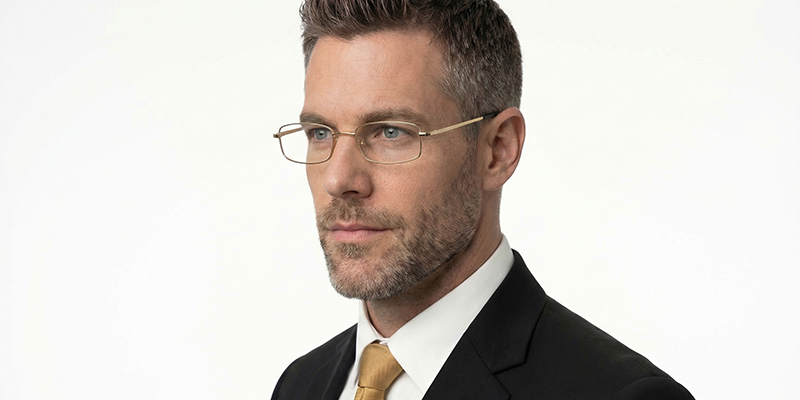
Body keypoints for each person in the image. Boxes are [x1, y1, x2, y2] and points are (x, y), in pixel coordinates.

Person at [271, 0, 694, 399]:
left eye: (391, 132)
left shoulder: (620, 394)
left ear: (498, 150)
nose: (338, 179)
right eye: (320, 133)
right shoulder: (301, 385)